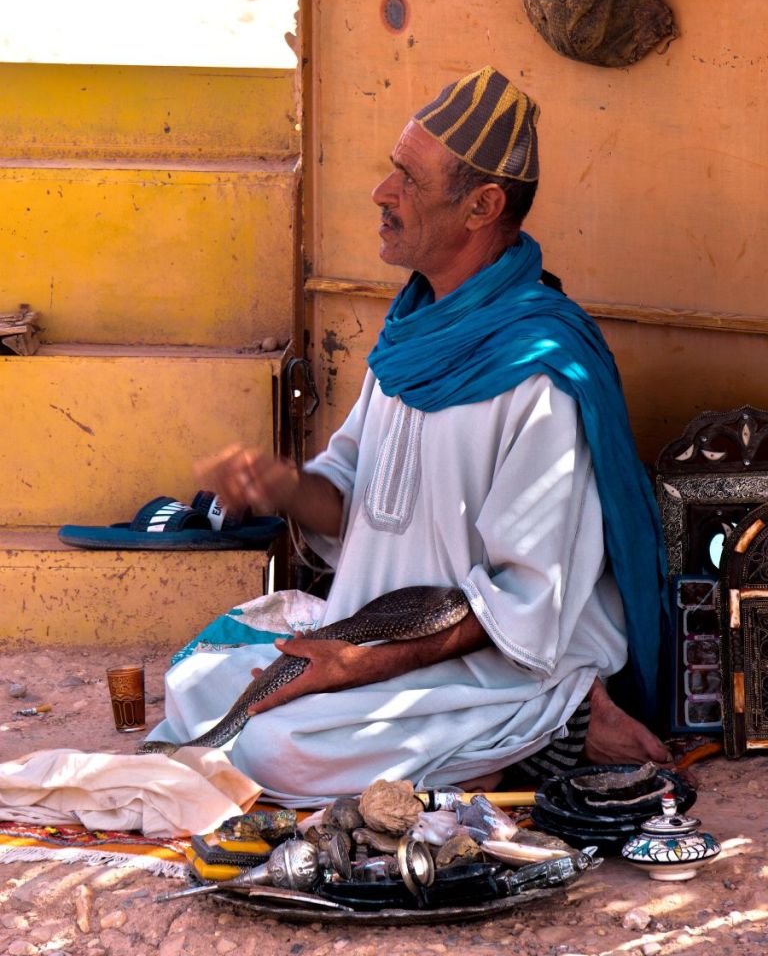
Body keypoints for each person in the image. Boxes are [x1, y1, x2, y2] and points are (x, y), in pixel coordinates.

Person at [148, 66, 671, 805]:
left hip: (491, 662)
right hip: (374, 635)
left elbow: (523, 599)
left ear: (482, 206)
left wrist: (359, 667)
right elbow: (357, 502)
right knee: (197, 687)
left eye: (408, 179)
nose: (381, 194)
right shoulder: (413, 334)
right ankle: (476, 755)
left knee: (274, 748)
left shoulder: (538, 374)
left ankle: (559, 730)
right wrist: (287, 487)